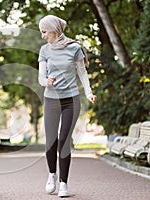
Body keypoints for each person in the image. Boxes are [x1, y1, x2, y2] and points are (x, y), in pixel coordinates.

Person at [38, 15, 97, 197]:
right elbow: (41, 78)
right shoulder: (44, 50)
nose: (43, 35)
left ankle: (63, 183)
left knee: (64, 141)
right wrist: (46, 81)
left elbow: (82, 72)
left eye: (44, 31)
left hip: (71, 100)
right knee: (51, 141)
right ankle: (51, 175)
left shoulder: (74, 48)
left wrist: (88, 92)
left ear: (54, 30)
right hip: (51, 100)